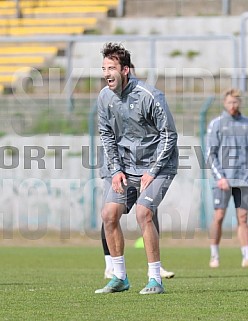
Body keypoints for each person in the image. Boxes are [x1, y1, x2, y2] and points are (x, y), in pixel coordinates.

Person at [95, 43, 178, 294]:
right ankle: (120, 277)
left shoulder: (149, 95)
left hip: (159, 165)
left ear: (126, 70)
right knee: (109, 215)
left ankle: (155, 279)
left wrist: (152, 171)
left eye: (112, 68)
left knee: (143, 213)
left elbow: (169, 135)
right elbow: (106, 135)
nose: (107, 73)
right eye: (103, 68)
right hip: (126, 168)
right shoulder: (104, 97)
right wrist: (116, 170)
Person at [207, 88, 248, 268]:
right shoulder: (217, 123)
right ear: (225, 103)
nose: (233, 105)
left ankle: (246, 255)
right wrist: (220, 177)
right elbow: (210, 154)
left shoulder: (246, 123)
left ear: (240, 103)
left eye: (236, 102)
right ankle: (214, 255)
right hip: (222, 180)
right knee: (219, 216)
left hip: (243, 179)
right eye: (230, 102)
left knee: (243, 218)